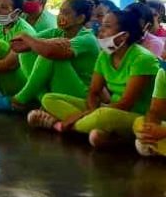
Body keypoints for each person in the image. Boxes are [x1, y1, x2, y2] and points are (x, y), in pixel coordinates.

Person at [29, 8, 160, 149]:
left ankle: (58, 125)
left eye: (107, 26)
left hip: (135, 115)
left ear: (123, 36)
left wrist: (84, 115)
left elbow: (125, 104)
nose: (100, 30)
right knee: (49, 99)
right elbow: (93, 91)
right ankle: (90, 128)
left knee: (103, 117)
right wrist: (89, 111)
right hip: (107, 109)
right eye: (101, 25)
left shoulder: (142, 59)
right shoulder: (105, 55)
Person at [0, 0, 100, 112]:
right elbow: (18, 45)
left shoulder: (87, 39)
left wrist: (28, 38)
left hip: (81, 93)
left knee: (49, 56)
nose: (60, 16)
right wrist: (47, 42)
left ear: (80, 18)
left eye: (66, 13)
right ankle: (43, 102)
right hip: (61, 86)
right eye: (60, 12)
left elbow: (48, 51)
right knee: (26, 53)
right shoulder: (58, 32)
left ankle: (19, 100)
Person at [134, 68, 166, 157]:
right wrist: (148, 130)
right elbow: (155, 111)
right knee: (140, 122)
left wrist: (164, 132)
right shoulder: (163, 73)